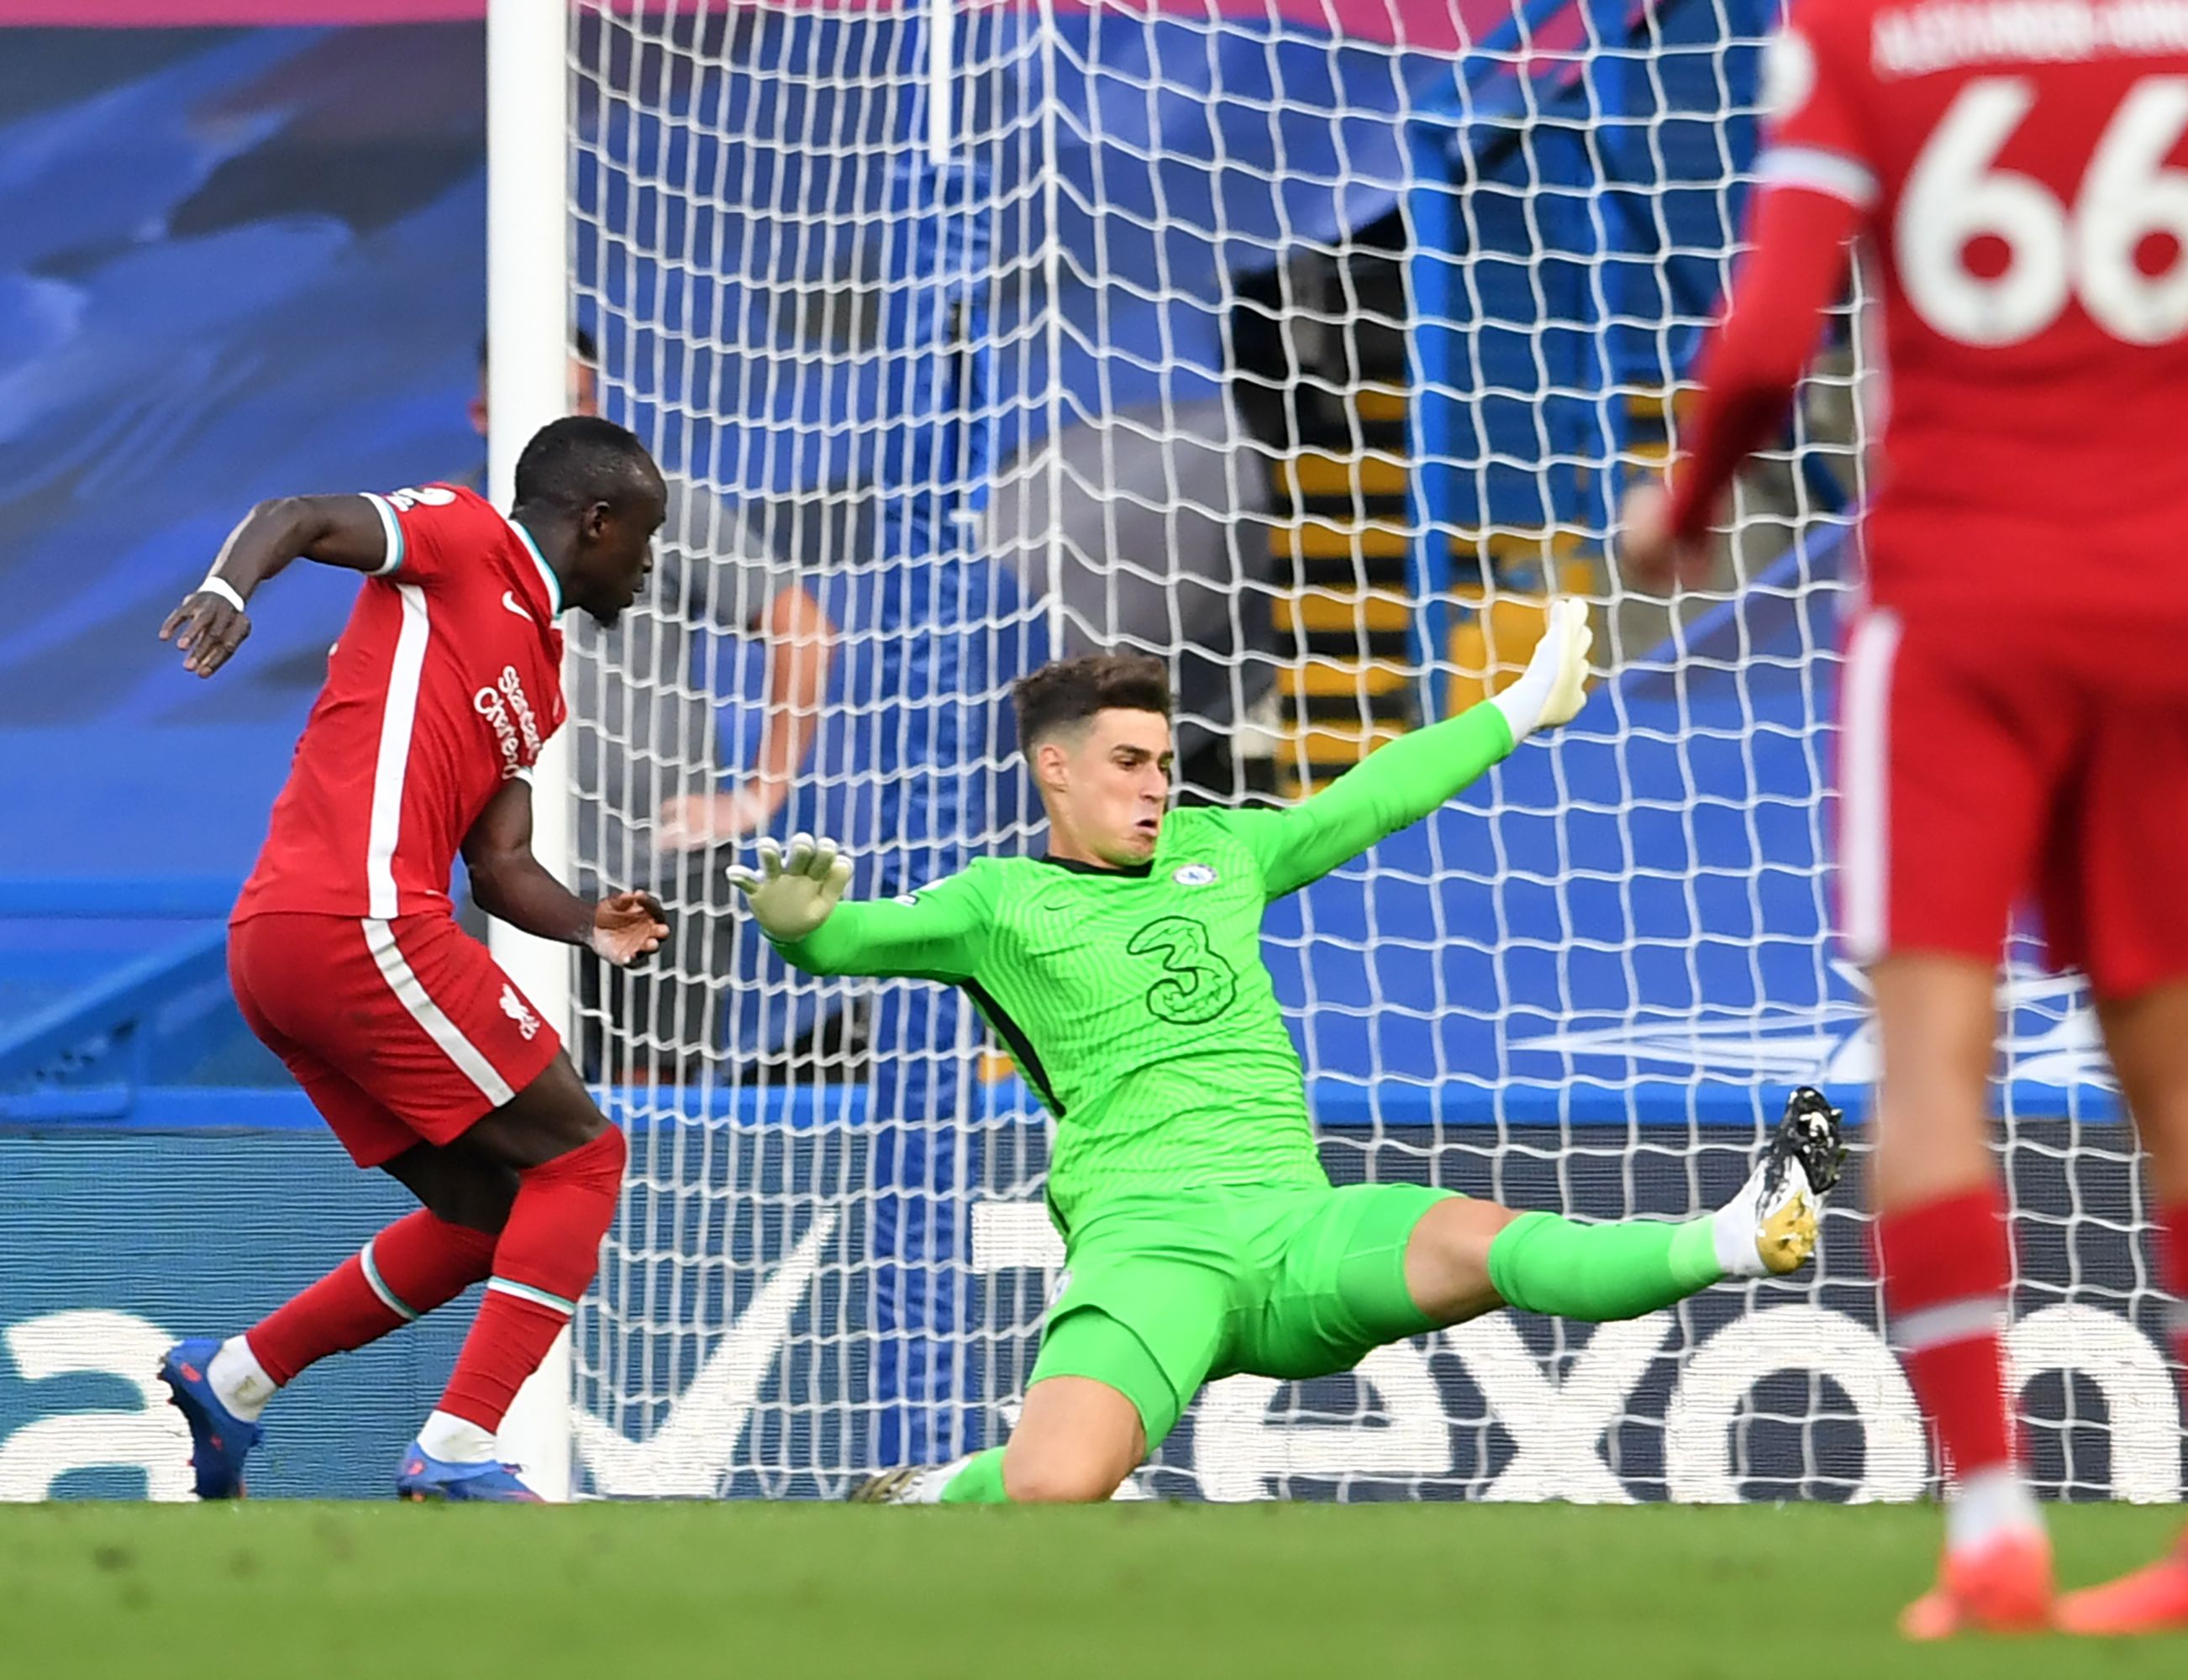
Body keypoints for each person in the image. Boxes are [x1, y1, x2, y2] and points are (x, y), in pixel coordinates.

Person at [1621, 0, 2188, 1637]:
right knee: (2176, 1063)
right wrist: (2161, 369)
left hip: (1958, 603)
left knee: (1932, 1058)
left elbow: (1765, 346)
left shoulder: (1860, 32)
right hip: (2167, 598)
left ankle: (1993, 1536)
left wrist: (1681, 513)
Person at [728, 602, 1849, 1504]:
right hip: (1148, 1248)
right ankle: (938, 1496)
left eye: (1165, 760)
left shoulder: (1224, 847)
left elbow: (1371, 797)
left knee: (1491, 1242)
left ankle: (1740, 1234)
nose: (1158, 785)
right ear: (1054, 770)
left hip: (1299, 1228)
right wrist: (794, 923)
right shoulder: (997, 903)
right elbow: (850, 939)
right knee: (1054, 1485)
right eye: (1129, 761)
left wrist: (1518, 707)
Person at [154, 417, 671, 1501]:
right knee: (583, 1160)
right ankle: (458, 1446)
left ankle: (238, 1376)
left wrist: (588, 923)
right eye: (648, 536)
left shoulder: (543, 674)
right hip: (358, 923)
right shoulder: (460, 533)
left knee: (497, 1218)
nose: (651, 563)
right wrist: (230, 590)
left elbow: (499, 865)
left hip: (289, 947)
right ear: (597, 521)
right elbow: (296, 518)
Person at [472, 333, 834, 1080]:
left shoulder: (659, 510)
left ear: (594, 408)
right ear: (484, 414)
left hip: (664, 873)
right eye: (529, 406)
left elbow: (802, 627)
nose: (551, 426)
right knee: (517, 1105)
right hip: (509, 874)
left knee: (653, 1117)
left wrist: (758, 797)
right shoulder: (458, 528)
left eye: (570, 404)